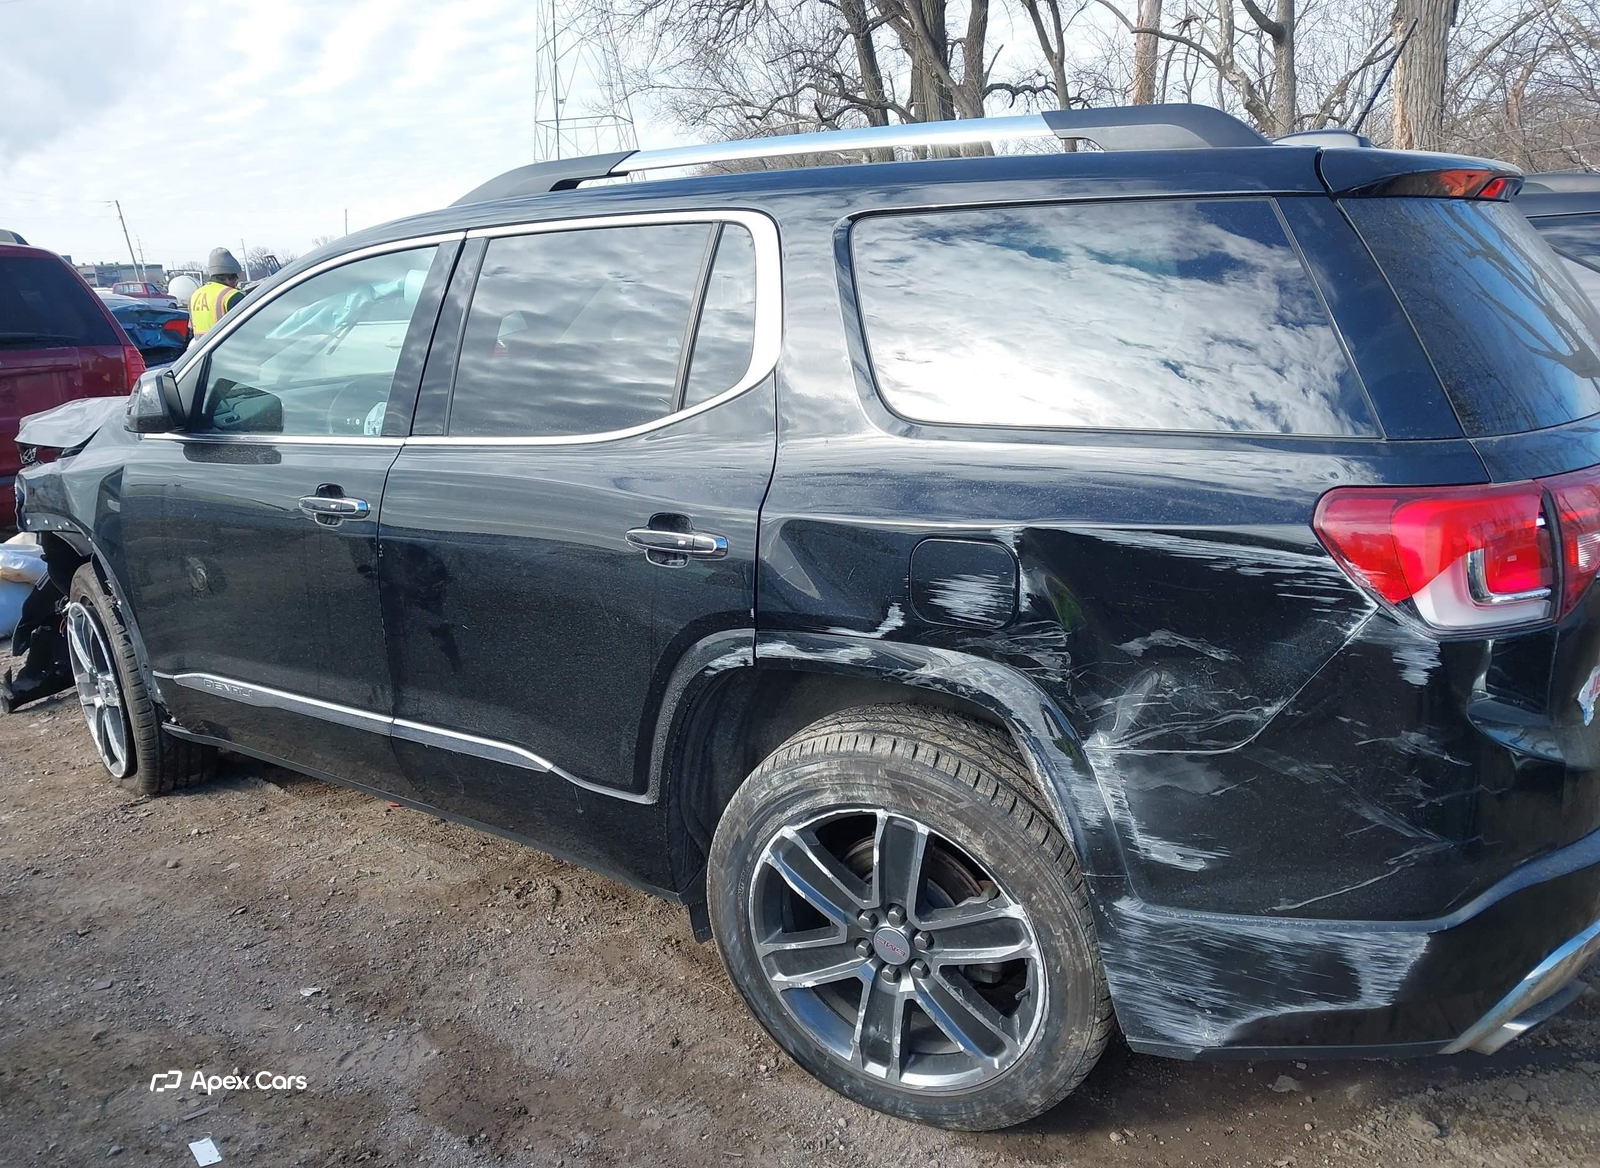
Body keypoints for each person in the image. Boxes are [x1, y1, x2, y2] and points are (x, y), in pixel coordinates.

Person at [188, 248, 245, 335]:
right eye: (236, 277)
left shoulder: (195, 295)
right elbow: (247, 327)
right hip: (230, 346)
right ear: (230, 277)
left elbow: (191, 328)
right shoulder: (232, 295)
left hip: (203, 347)